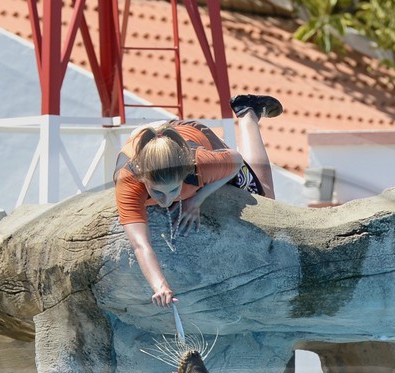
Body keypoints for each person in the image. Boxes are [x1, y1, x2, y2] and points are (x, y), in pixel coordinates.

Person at [115, 94, 282, 306]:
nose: (166, 201)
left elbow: (237, 161)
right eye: (157, 193)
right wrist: (160, 286)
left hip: (191, 135)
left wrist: (198, 198)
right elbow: (140, 244)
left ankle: (248, 112)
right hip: (150, 144)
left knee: (265, 199)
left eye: (174, 190)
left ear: (186, 174)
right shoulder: (129, 181)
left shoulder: (201, 163)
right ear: (142, 180)